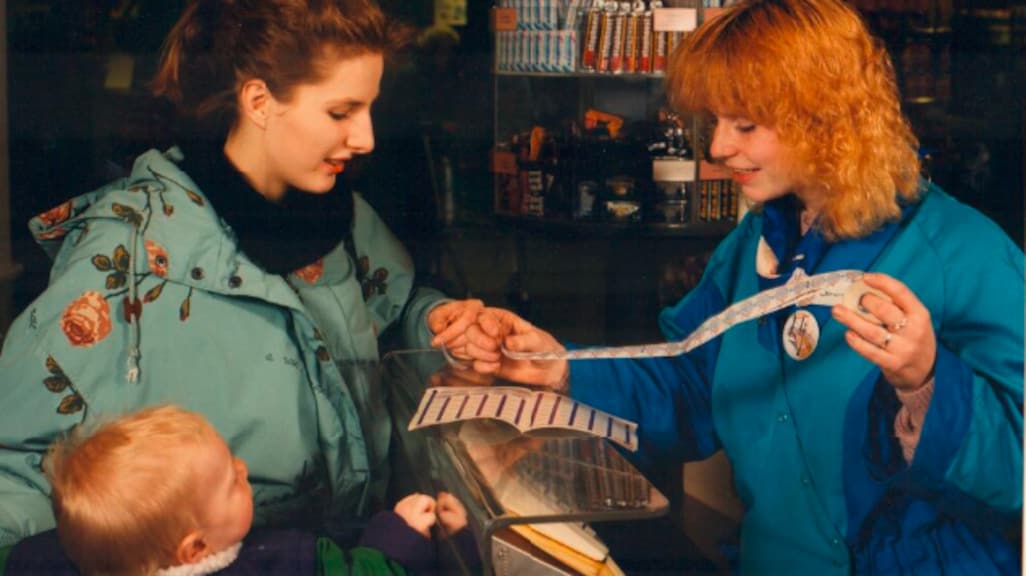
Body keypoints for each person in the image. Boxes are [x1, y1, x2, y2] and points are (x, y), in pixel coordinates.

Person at [460, 0, 1024, 573]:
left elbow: (1018, 471)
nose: (717, 149)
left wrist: (926, 382)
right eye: (716, 122)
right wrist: (558, 367)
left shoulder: (966, 254)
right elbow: (688, 383)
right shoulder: (756, 242)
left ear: (825, 115)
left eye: (745, 126)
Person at [0, 0, 483, 547]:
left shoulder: (342, 217)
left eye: (369, 109)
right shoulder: (123, 255)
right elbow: (19, 472)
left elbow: (389, 319)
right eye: (341, 112)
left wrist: (442, 324)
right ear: (259, 101)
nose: (367, 138)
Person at [0, 405, 475, 575]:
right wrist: (399, 536)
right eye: (232, 482)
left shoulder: (41, 558)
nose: (244, 469)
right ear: (195, 548)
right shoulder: (284, 562)